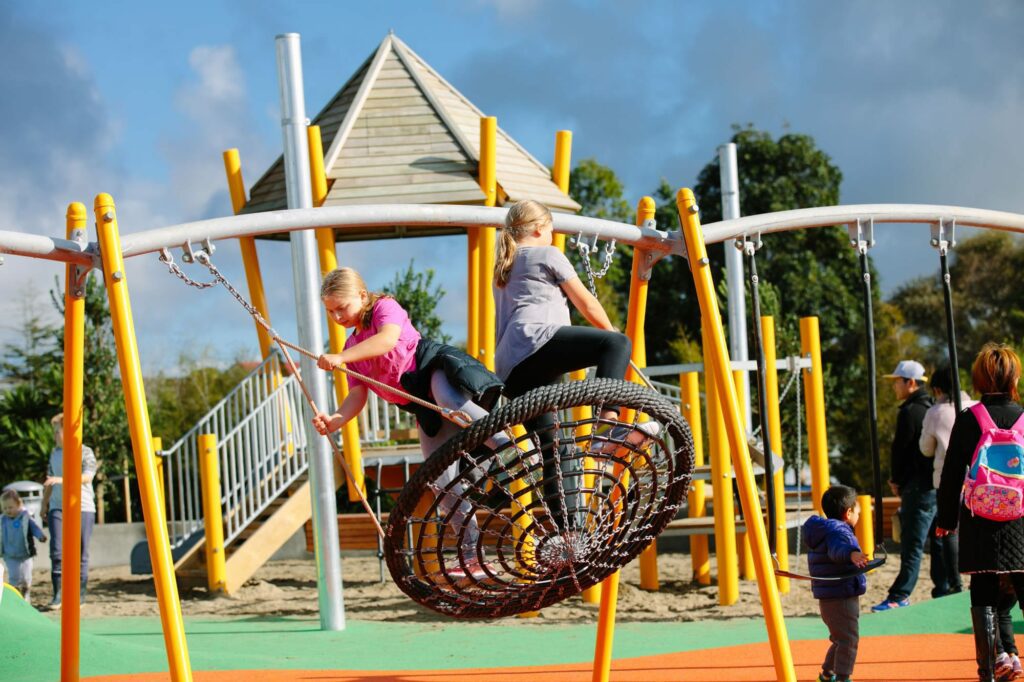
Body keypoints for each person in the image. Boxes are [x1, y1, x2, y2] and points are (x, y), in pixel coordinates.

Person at [311, 267, 505, 578]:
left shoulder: (384, 308)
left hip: (432, 369)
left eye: (341, 308)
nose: (337, 317)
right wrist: (335, 420)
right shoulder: (351, 350)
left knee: (452, 403)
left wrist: (341, 359)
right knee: (440, 481)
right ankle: (473, 554)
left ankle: (508, 446)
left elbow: (388, 341)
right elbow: (356, 396)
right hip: (420, 405)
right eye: (330, 312)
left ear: (362, 296)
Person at [492, 200, 658, 526]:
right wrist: (612, 340)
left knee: (556, 447)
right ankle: (609, 423)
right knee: (617, 342)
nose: (553, 235)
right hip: (536, 343)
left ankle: (571, 531)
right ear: (540, 229)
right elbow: (585, 301)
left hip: (511, 370)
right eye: (552, 229)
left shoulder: (505, 265)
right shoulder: (547, 253)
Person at [937, 343, 1024, 682]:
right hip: (1020, 519)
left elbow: (952, 474)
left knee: (983, 594)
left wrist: (946, 520)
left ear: (978, 381)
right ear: (1014, 378)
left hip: (980, 519)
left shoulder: (969, 419)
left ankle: (989, 668)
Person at [872, 359, 935, 612]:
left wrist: (896, 479)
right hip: (935, 484)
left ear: (910, 383)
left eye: (897, 381)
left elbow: (902, 449)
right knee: (940, 543)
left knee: (912, 543)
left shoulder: (910, 412)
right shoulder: (932, 408)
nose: (894, 387)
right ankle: (946, 588)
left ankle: (900, 594)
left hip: (916, 485)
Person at [804, 485, 869, 682]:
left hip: (830, 595)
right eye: (857, 511)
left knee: (841, 638)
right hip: (840, 594)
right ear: (848, 513)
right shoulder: (839, 531)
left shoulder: (825, 529)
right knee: (848, 639)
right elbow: (838, 549)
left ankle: (827, 674)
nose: (858, 515)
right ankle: (842, 677)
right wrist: (852, 553)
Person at [920, 365, 974, 598]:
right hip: (976, 477)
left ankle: (955, 581)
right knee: (973, 530)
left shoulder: (935, 412)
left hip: (946, 477)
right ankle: (976, 575)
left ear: (938, 388)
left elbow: (925, 449)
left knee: (949, 530)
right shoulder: (974, 407)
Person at [40, 413, 98, 607]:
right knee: (57, 551)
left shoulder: (85, 451)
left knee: (81, 551)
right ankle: (58, 594)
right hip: (58, 506)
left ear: (69, 431)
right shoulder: (55, 454)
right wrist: (44, 504)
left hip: (82, 507)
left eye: (58, 431)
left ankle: (79, 594)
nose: (55, 435)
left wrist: (62, 480)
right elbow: (50, 480)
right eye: (55, 431)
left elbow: (87, 477)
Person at [0, 489, 47, 602]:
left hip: (25, 554)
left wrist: (40, 535)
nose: (8, 510)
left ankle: (26, 595)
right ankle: (16, 598)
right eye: (5, 508)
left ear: (18, 505)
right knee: (14, 577)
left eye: (10, 507)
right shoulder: (3, 520)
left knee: (26, 577)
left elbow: (34, 527)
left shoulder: (25, 517)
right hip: (10, 555)